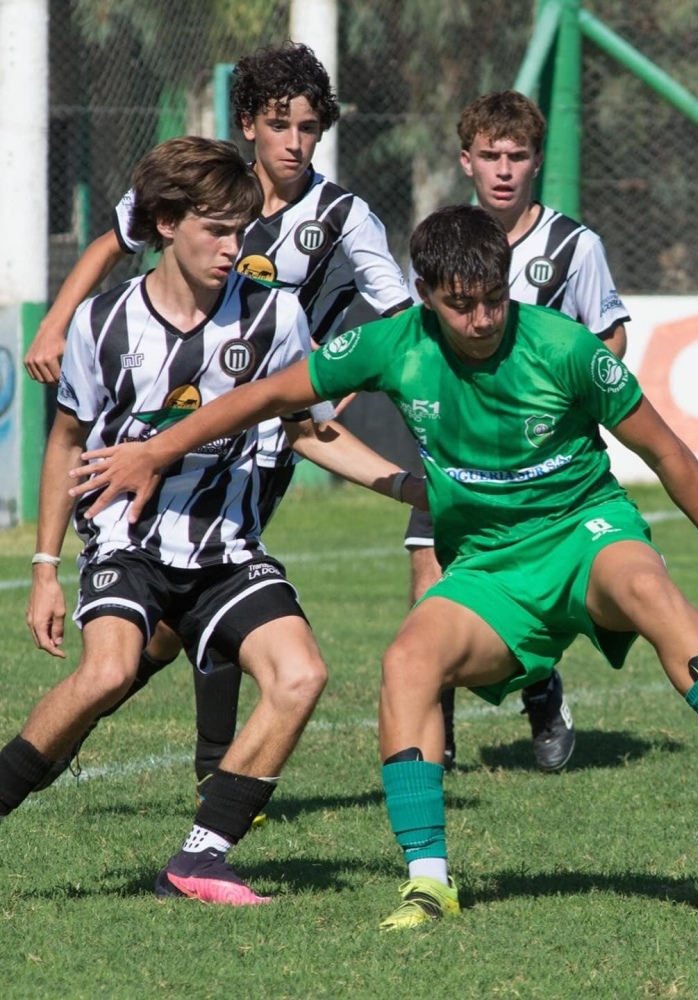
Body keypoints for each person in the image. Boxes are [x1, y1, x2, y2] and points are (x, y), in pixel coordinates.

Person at [73, 204, 698, 929]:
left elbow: (665, 450)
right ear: (426, 296)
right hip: (491, 567)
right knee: (408, 660)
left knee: (642, 583)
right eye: (461, 305)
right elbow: (265, 395)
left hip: (584, 532)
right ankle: (429, 883)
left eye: (494, 299)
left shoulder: (565, 347)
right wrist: (157, 449)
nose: (482, 318)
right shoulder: (394, 343)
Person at [6, 135, 424, 905]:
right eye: (217, 231)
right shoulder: (103, 324)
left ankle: (200, 858)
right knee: (105, 672)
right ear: (165, 222)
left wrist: (407, 487)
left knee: (301, 675)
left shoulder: (276, 318)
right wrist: (44, 569)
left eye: (242, 231)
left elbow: (308, 428)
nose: (236, 248)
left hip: (228, 550)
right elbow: (67, 440)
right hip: (127, 543)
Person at [405, 90, 631, 773]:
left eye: (519, 156)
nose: (504, 169)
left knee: (534, 588)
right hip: (454, 456)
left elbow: (611, 336)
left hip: (540, 473)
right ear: (466, 162)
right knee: (429, 582)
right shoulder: (444, 241)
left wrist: (559, 407)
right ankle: (434, 744)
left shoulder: (572, 246)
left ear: (537, 162)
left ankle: (541, 688)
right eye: (491, 156)